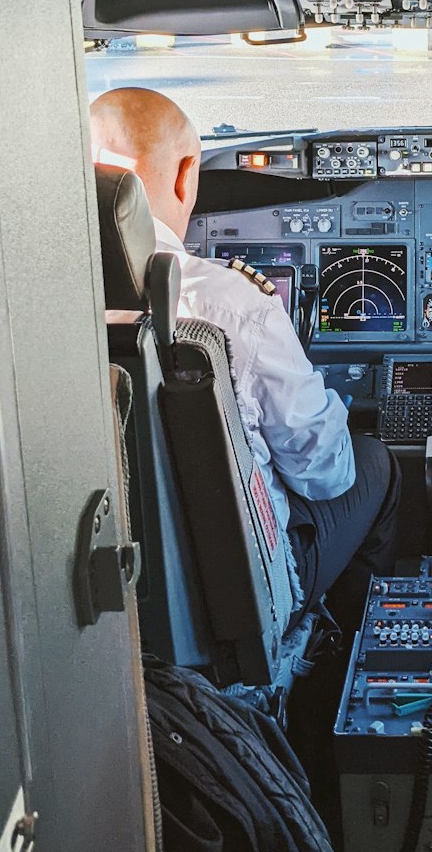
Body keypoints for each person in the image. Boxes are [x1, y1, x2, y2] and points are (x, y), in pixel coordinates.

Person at [89, 86, 399, 626]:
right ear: (188, 174)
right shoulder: (230, 302)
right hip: (242, 601)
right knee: (375, 465)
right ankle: (333, 657)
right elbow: (325, 473)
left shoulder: (21, 315)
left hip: (105, 596)